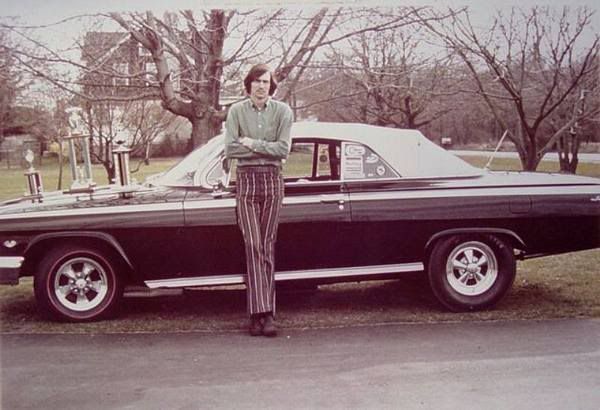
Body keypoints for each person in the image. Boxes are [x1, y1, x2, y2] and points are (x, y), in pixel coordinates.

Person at [224, 63, 293, 337]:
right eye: (256, 81)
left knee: (266, 245)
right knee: (252, 245)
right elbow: (231, 149)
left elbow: (283, 149)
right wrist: (266, 149)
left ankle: (265, 316)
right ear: (249, 84)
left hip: (273, 180)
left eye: (265, 81)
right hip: (246, 181)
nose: (261, 86)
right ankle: (260, 314)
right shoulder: (236, 111)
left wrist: (251, 143)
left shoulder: (283, 111)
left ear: (271, 85)